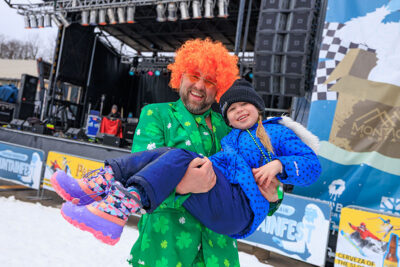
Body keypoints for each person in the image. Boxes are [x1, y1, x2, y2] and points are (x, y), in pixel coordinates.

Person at [53, 39, 284, 266]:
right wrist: (183, 187)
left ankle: (97, 188)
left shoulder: (231, 128)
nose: (200, 86)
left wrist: (275, 196)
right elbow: (141, 175)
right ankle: (97, 191)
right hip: (165, 252)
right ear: (180, 75)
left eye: (210, 80)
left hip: (219, 255)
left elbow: (262, 178)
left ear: (220, 87)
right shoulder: (157, 115)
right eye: (194, 76)